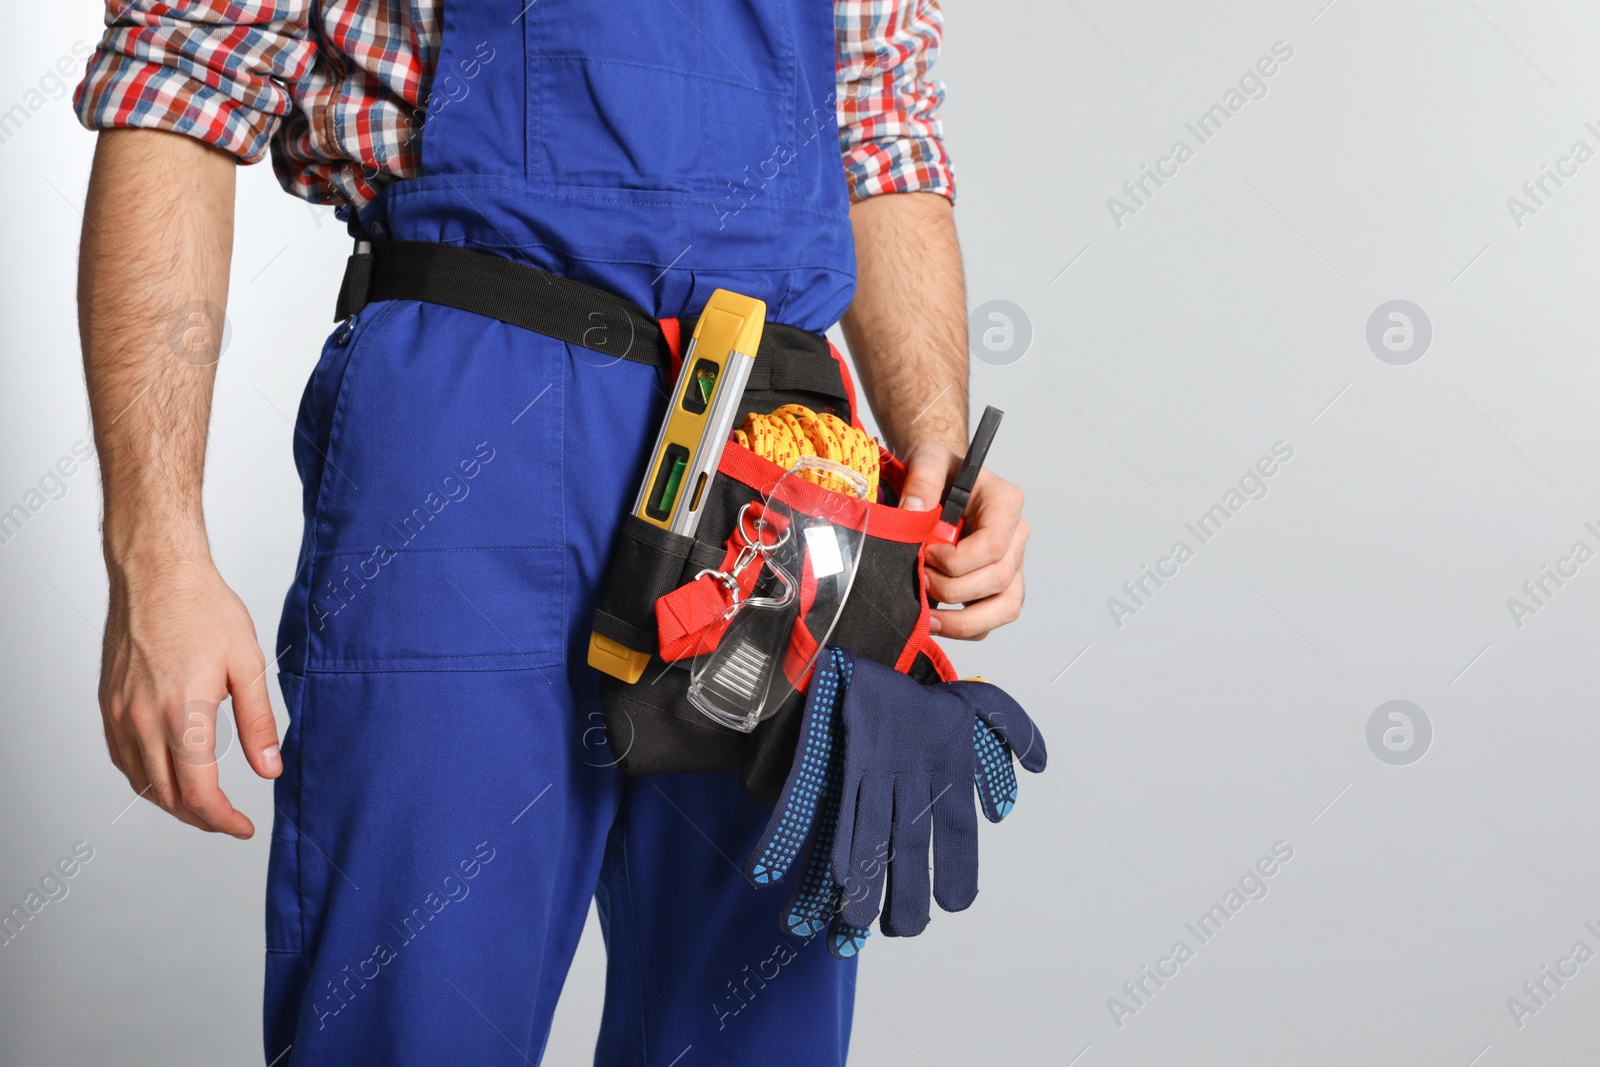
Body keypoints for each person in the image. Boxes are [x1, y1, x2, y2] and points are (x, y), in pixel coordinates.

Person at [74, 1, 1029, 1063]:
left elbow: (877, 128)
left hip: (787, 460)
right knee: (414, 1019)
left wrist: (933, 452)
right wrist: (154, 551)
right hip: (482, 404)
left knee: (753, 1028)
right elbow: (179, 79)